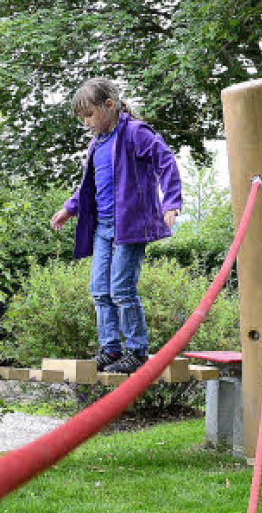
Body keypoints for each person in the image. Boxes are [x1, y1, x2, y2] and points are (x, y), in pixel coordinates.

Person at [50, 77, 181, 374]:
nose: (86, 123)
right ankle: (110, 350)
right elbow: (90, 187)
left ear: (109, 105)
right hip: (104, 228)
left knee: (122, 289)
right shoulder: (97, 143)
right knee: (99, 290)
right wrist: (70, 208)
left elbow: (166, 161)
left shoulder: (135, 133)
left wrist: (171, 201)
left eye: (89, 115)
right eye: (82, 118)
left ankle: (136, 351)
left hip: (130, 226)